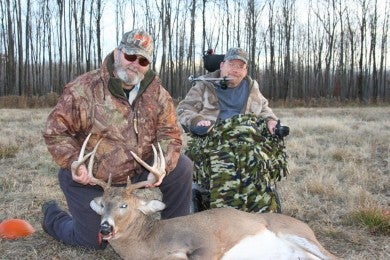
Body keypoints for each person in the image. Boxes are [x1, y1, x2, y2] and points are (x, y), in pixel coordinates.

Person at [42, 29, 193, 249]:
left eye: (142, 60)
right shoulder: (84, 89)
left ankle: (174, 231)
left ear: (148, 65)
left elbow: (170, 134)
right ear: (117, 53)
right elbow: (55, 132)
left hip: (135, 173)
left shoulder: (157, 93)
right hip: (91, 177)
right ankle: (52, 216)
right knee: (93, 243)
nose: (135, 64)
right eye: (130, 56)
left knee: (182, 167)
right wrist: (75, 162)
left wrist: (162, 166)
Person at [177, 47, 289, 213]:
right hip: (214, 135)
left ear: (245, 71)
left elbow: (264, 109)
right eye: (231, 64)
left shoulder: (251, 87)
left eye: (240, 66)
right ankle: (225, 215)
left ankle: (261, 214)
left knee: (257, 158)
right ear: (222, 65)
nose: (235, 69)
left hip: (248, 137)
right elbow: (184, 108)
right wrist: (197, 120)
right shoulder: (203, 85)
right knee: (227, 157)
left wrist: (271, 121)